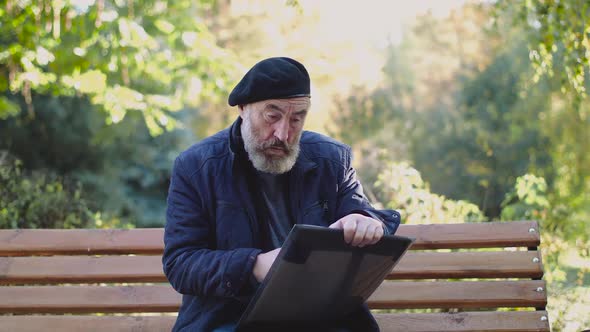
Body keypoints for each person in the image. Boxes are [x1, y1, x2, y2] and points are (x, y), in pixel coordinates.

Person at [163, 57, 401, 331]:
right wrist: (255, 265)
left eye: (296, 119)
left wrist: (365, 220)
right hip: (228, 318)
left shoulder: (332, 160)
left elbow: (359, 210)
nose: (283, 133)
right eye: (272, 116)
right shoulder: (196, 166)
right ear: (243, 109)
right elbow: (181, 264)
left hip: (318, 316)